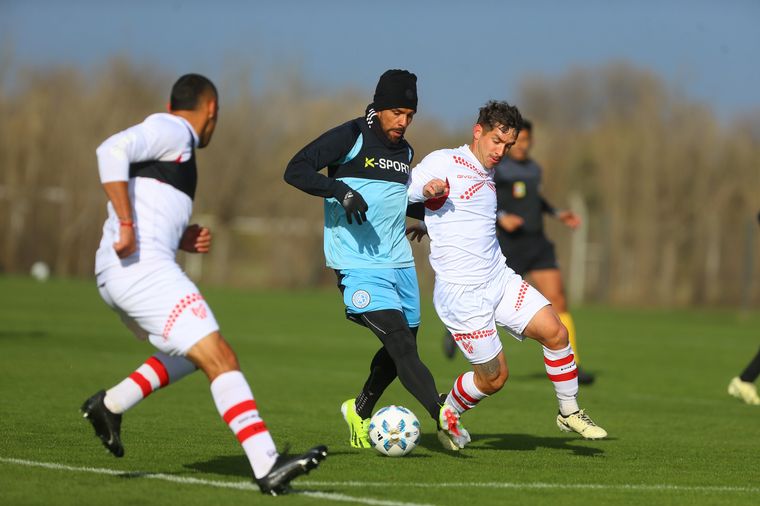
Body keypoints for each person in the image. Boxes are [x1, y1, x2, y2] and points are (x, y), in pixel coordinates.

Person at [81, 74, 326, 495]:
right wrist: (124, 223)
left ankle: (110, 405)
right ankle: (267, 463)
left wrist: (180, 237)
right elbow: (110, 149)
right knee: (220, 356)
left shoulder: (176, 146)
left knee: (195, 354)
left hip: (124, 272)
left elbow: (147, 200)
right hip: (141, 271)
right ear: (211, 109)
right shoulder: (173, 128)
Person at [284, 69, 468, 451]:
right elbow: (295, 169)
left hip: (400, 264)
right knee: (400, 343)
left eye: (410, 115)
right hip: (357, 264)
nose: (403, 122)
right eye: (397, 112)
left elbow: (397, 199)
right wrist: (339, 190)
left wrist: (428, 203)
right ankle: (442, 413)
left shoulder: (406, 151)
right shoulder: (350, 136)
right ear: (380, 107)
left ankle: (360, 411)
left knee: (402, 349)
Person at [407, 101, 607, 443]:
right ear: (478, 131)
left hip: (498, 278)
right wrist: (426, 193)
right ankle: (448, 412)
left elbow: (463, 216)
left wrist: (432, 224)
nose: (501, 151)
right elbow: (406, 191)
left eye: (508, 145)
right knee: (494, 379)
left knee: (556, 333)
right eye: (496, 142)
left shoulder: (489, 173)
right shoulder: (444, 161)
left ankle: (568, 411)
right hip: (462, 293)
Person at [442, 120, 595, 385]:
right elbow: (481, 198)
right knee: (488, 298)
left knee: (558, 297)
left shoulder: (533, 168)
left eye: (526, 140)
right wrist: (502, 217)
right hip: (509, 245)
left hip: (537, 243)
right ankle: (457, 325)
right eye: (518, 141)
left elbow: (536, 200)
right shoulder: (497, 169)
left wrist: (558, 214)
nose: (522, 146)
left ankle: (574, 363)